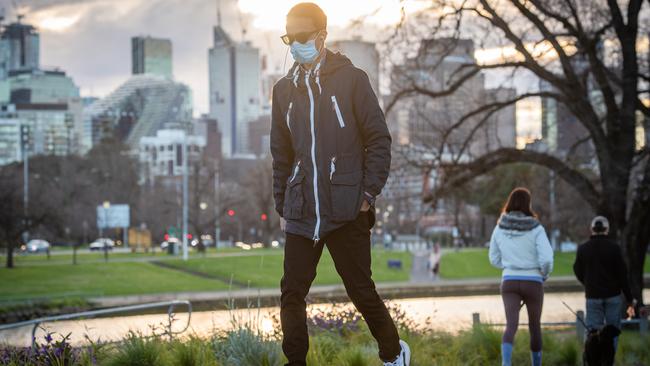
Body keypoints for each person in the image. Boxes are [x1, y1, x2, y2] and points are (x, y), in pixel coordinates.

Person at [270, 3, 410, 366]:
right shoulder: (283, 91)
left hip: (347, 207)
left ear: (321, 36)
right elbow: (281, 154)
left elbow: (378, 140)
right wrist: (282, 205)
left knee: (361, 291)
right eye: (290, 38)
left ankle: (394, 354)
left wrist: (367, 195)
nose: (296, 45)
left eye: (302, 37)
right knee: (292, 293)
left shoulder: (352, 80)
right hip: (302, 210)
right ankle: (295, 362)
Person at [488, 188, 553, 366]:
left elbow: (493, 258)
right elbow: (547, 258)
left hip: (509, 281)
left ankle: (506, 364)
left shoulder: (499, 227)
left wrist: (510, 266)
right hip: (533, 281)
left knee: (511, 325)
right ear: (528, 204)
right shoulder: (536, 228)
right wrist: (543, 273)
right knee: (534, 326)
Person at [573, 216, 636, 358]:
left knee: (592, 332)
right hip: (613, 297)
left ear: (592, 229)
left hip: (592, 296)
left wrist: (588, 283)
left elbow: (577, 270)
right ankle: (609, 361)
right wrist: (630, 298)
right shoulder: (614, 248)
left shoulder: (583, 248)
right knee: (613, 332)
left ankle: (591, 360)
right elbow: (622, 275)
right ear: (607, 229)